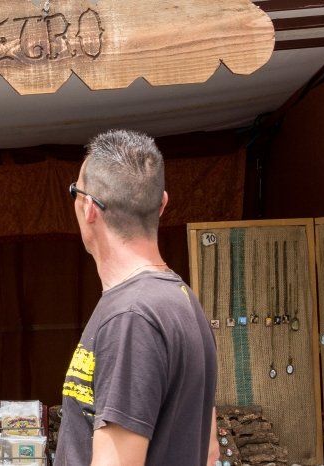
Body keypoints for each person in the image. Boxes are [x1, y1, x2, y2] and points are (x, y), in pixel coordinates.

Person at [55, 129, 218, 466]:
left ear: (88, 209)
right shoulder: (181, 299)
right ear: (162, 205)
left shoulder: (130, 317)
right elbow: (209, 449)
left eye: (75, 192)